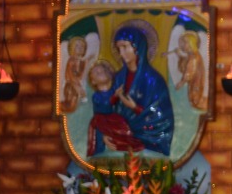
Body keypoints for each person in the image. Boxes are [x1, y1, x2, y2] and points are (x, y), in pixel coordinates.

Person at [96, 25, 175, 156]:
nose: (121, 53)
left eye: (125, 47)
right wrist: (105, 134)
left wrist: (135, 108)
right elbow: (106, 113)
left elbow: (162, 119)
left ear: (137, 47)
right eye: (118, 48)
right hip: (119, 137)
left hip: (147, 138)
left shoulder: (154, 80)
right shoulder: (118, 78)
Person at [171, 31, 207, 110]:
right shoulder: (192, 55)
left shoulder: (194, 57)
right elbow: (186, 64)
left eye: (185, 43)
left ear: (191, 43)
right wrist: (179, 55)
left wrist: (181, 82)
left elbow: (189, 71)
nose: (183, 45)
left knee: (195, 100)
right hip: (194, 82)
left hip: (196, 83)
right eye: (183, 43)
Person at [60, 35, 88, 114]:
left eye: (82, 46)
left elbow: (80, 75)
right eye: (77, 46)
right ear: (71, 48)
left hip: (77, 83)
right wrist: (79, 88)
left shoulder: (81, 61)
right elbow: (71, 76)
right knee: (71, 104)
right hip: (71, 85)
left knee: (75, 103)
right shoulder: (72, 61)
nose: (80, 48)